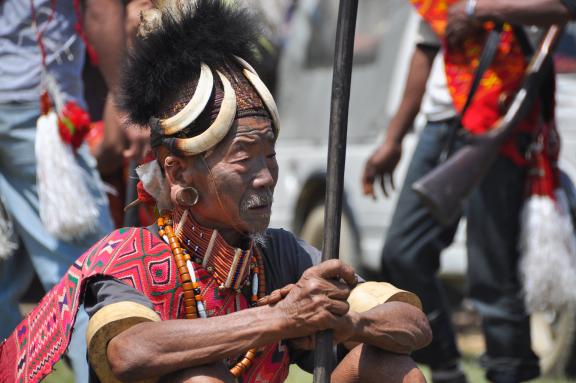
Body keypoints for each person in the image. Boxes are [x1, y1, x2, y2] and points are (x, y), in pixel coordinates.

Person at [0, 1, 432, 382]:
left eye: (271, 156)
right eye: (244, 158)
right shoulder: (131, 256)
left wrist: (346, 322)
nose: (265, 176)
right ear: (179, 172)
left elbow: (412, 322)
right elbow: (130, 353)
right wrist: (279, 319)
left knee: (391, 368)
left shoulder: (279, 254)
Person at [362, 1, 576, 382]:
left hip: (500, 119)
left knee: (491, 272)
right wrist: (393, 139)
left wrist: (477, 9)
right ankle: (444, 366)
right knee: (403, 252)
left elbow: (562, 8)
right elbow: (426, 50)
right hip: (440, 125)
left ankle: (509, 371)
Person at [0, 0, 128, 381]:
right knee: (94, 277)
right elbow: (101, 10)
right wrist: (126, 100)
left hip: (25, 109)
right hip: (35, 112)